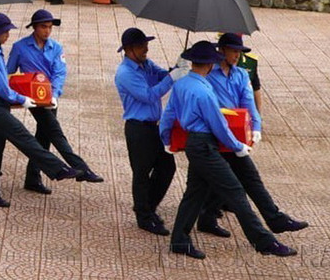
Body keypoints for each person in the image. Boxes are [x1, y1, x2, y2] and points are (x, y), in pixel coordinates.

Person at [161, 41, 297, 259]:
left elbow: (168, 114)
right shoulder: (205, 92)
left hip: (194, 143)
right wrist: (237, 146)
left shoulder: (182, 84)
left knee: (194, 194)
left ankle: (179, 240)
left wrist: (166, 139)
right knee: (235, 192)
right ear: (208, 64)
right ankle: (263, 241)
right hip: (205, 145)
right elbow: (219, 126)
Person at [193, 33, 307, 237]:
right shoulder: (209, 73)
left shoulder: (241, 75)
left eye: (239, 51)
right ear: (222, 50)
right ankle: (273, 218)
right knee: (246, 177)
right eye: (234, 51)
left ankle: (208, 217)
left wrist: (256, 127)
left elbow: (248, 102)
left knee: (225, 178)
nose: (238, 55)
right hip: (215, 132)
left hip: (235, 132)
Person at [0, 12, 81, 207]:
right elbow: (1, 87)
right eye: (5, 32)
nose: (8, 35)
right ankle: (57, 168)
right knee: (23, 136)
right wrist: (22, 99)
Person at [7, 9, 103, 193]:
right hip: (32, 97)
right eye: (44, 27)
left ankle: (32, 178)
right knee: (56, 133)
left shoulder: (56, 48)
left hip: (50, 98)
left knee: (44, 136)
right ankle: (82, 168)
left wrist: (55, 95)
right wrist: (16, 94)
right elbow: (9, 72)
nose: (47, 31)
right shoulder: (20, 47)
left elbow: (60, 72)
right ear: (35, 27)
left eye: (50, 27)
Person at [114, 27, 188, 235]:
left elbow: (162, 75)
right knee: (142, 173)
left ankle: (148, 206)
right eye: (141, 46)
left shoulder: (145, 64)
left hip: (154, 126)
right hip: (138, 128)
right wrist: (172, 77)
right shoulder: (126, 73)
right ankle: (144, 216)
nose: (146, 49)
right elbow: (149, 95)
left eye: (146, 45)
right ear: (129, 49)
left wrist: (176, 67)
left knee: (167, 167)